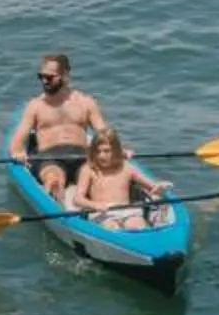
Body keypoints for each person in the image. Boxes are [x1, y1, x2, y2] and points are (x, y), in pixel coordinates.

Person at [10, 51, 108, 201]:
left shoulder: (86, 102)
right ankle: (59, 207)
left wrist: (118, 150)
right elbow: (18, 140)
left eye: (49, 77)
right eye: (41, 77)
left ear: (65, 75)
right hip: (49, 157)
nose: (44, 81)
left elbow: (103, 133)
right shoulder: (36, 105)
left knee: (93, 179)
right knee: (54, 179)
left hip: (81, 155)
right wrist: (18, 152)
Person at [65, 130, 166, 227]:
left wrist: (158, 187)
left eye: (107, 151)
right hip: (102, 213)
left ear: (116, 151)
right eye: (98, 151)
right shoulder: (89, 170)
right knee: (112, 227)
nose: (102, 155)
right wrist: (95, 205)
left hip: (128, 211)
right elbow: (77, 199)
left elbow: (151, 186)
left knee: (137, 225)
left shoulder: (126, 168)